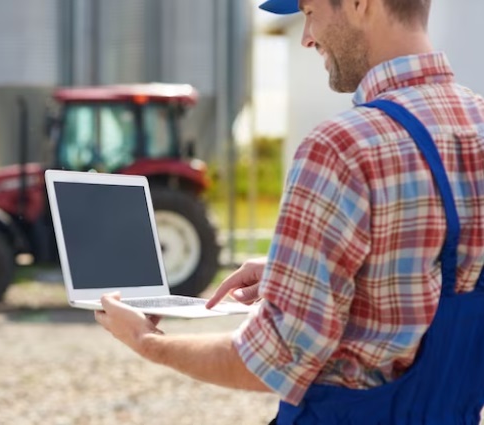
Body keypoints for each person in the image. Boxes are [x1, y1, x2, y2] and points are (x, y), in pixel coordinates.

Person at [95, 0, 484, 423]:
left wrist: (148, 341)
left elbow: (275, 358)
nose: (306, 37)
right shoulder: (477, 123)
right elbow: (434, 270)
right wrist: (300, 271)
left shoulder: (341, 149)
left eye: (310, 11)